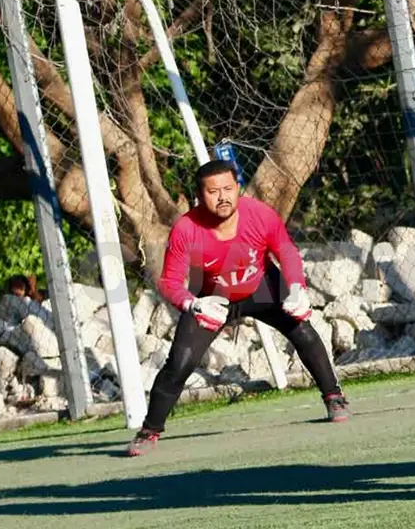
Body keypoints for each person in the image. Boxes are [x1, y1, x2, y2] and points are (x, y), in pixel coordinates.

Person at [126, 160, 350, 457]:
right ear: (199, 196)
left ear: (238, 189)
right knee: (180, 362)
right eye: (213, 191)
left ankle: (334, 397)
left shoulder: (259, 214)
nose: (222, 197)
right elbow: (169, 282)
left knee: (303, 332)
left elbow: (286, 251)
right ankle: (149, 431)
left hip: (263, 287)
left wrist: (297, 288)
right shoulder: (186, 229)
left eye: (228, 189)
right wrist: (193, 304)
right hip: (212, 299)